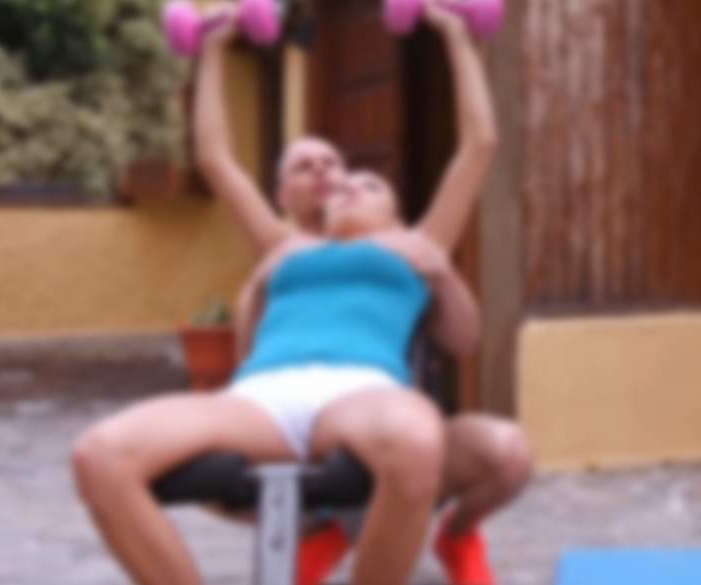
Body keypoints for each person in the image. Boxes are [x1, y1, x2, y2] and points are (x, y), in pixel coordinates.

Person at [192, 1, 531, 583]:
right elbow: (216, 161)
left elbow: (480, 143)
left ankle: (455, 534)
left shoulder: (416, 244)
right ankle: (325, 529)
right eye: (321, 177)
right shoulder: (286, 252)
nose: (341, 184)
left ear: (396, 211)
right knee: (195, 458)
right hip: (300, 421)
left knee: (508, 453)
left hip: (386, 430)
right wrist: (212, 50)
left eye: (363, 181)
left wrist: (454, 33)